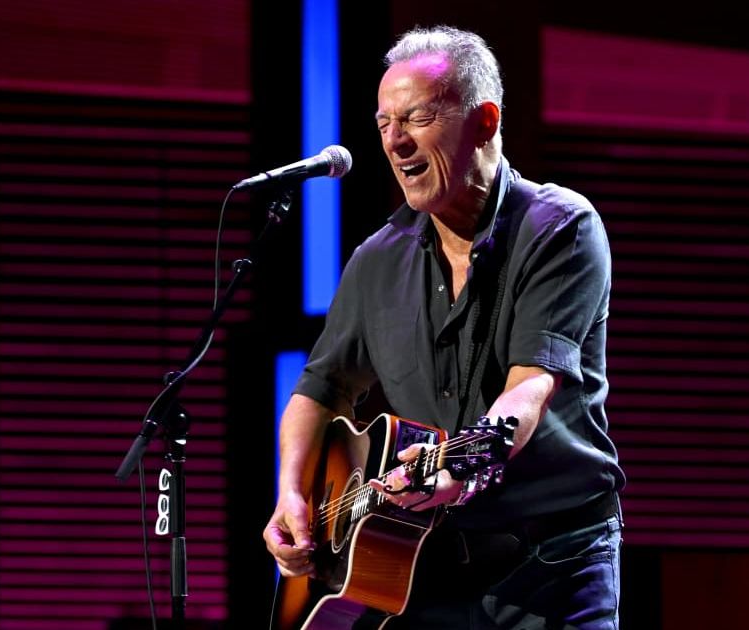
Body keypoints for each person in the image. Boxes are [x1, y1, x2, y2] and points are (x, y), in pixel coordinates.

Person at [263, 25, 625, 629]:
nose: (395, 142)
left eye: (418, 118)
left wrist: (464, 464)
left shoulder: (559, 227)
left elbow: (530, 386)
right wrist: (292, 494)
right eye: (383, 125)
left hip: (552, 560)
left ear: (485, 121)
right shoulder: (378, 258)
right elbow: (319, 389)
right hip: (422, 562)